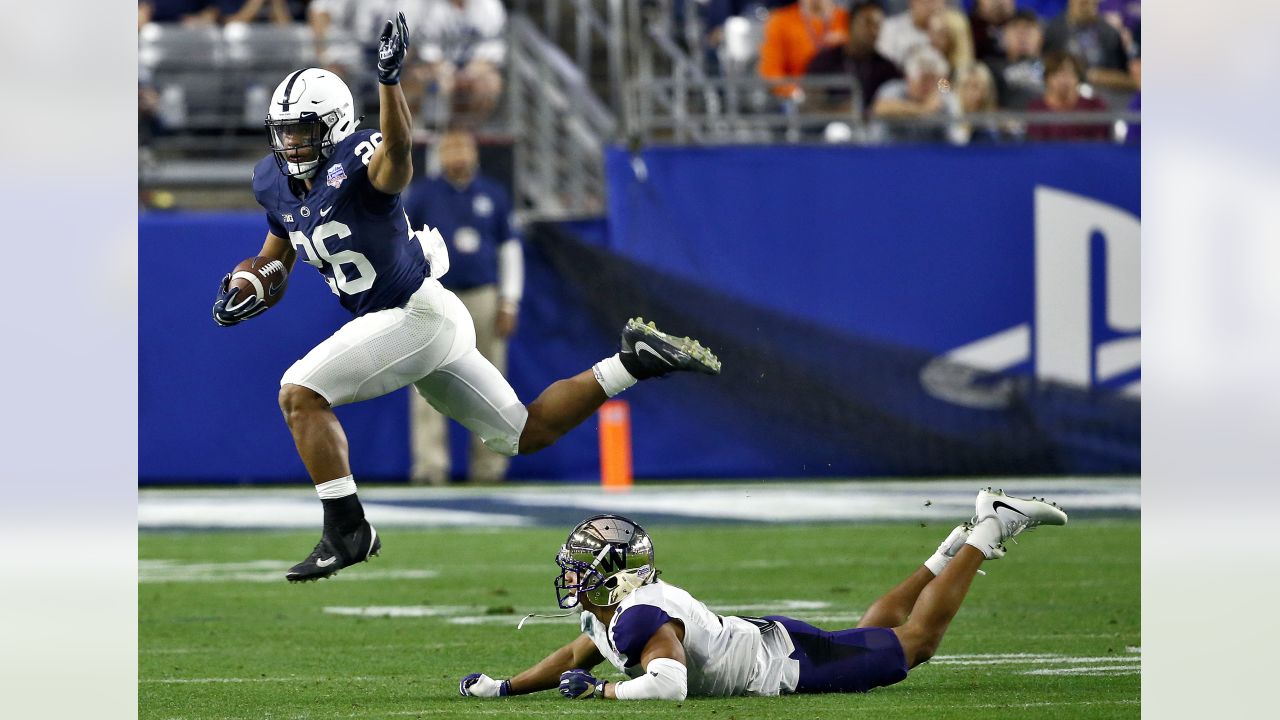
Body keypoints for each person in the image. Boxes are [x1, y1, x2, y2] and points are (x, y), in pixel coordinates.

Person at [211, 12, 723, 583]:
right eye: (282, 131)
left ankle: (347, 528)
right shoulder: (273, 181)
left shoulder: (360, 163)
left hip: (412, 313)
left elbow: (400, 155)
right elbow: (276, 251)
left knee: (300, 393)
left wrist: (388, 80)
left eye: (302, 130)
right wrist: (248, 281)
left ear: (333, 127)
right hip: (426, 316)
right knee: (523, 433)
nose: (290, 143)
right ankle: (630, 362)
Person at [458, 489, 1068, 700]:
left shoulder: (640, 615)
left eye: (585, 565)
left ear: (613, 576)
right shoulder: (618, 612)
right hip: (766, 642)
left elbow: (669, 685)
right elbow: (572, 657)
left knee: (916, 645)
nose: (572, 573)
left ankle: (990, 529)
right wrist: (505, 688)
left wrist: (603, 692)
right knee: (870, 633)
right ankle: (954, 546)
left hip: (781, 667)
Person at [402, 130, 521, 485]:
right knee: (425, 382)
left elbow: (509, 250)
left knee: (490, 382)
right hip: (436, 297)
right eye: (451, 148)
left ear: (475, 152)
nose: (458, 154)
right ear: (440, 155)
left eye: (464, 147)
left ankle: (489, 467)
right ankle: (429, 467)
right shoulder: (423, 194)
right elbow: (404, 246)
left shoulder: (492, 194)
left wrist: (510, 300)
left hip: (483, 295)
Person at [805, 0, 902, 115]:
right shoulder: (824, 62)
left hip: (873, 129)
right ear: (850, 23)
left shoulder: (887, 68)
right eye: (867, 23)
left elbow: (896, 104)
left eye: (878, 25)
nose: (873, 31)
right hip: (829, 126)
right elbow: (811, 105)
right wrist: (841, 111)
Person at [757, 0, 850, 100]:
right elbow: (770, 72)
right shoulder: (780, 21)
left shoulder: (849, 20)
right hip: (797, 104)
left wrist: (846, 41)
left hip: (846, 99)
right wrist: (797, 94)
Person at [1025, 50, 1109, 141]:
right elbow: (1035, 147)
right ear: (1047, 79)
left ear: (1078, 78)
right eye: (1057, 74)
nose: (1064, 80)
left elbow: (1101, 144)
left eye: (1069, 74)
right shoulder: (1037, 109)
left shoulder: (1095, 106)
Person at [986, 8, 1045, 110]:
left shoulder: (1054, 67)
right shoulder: (990, 69)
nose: (1022, 36)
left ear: (1041, 37)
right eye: (1016, 29)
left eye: (1028, 29)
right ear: (1003, 38)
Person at [875, 0, 943, 69]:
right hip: (897, 77)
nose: (931, 6)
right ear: (912, 2)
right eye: (927, 1)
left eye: (936, 1)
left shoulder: (950, 30)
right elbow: (882, 65)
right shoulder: (890, 28)